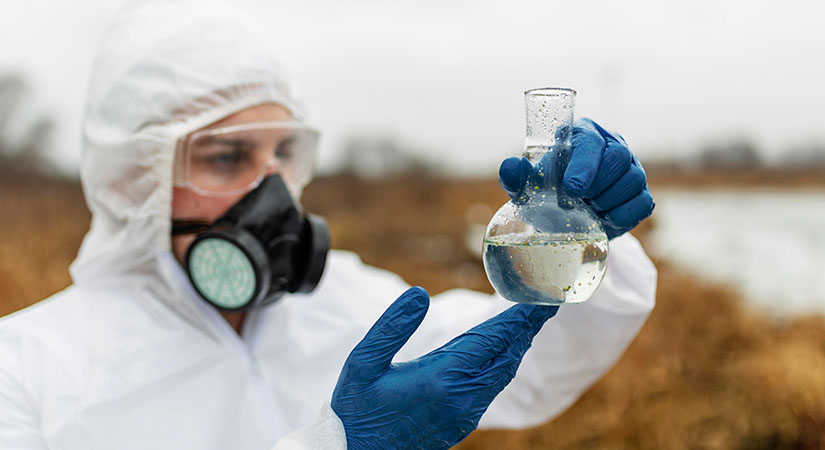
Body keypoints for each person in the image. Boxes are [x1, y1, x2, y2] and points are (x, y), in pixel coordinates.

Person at [0, 1, 657, 449]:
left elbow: (532, 369)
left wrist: (584, 230)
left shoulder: (342, 303)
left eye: (283, 153)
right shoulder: (28, 368)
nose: (273, 189)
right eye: (227, 156)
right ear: (129, 177)